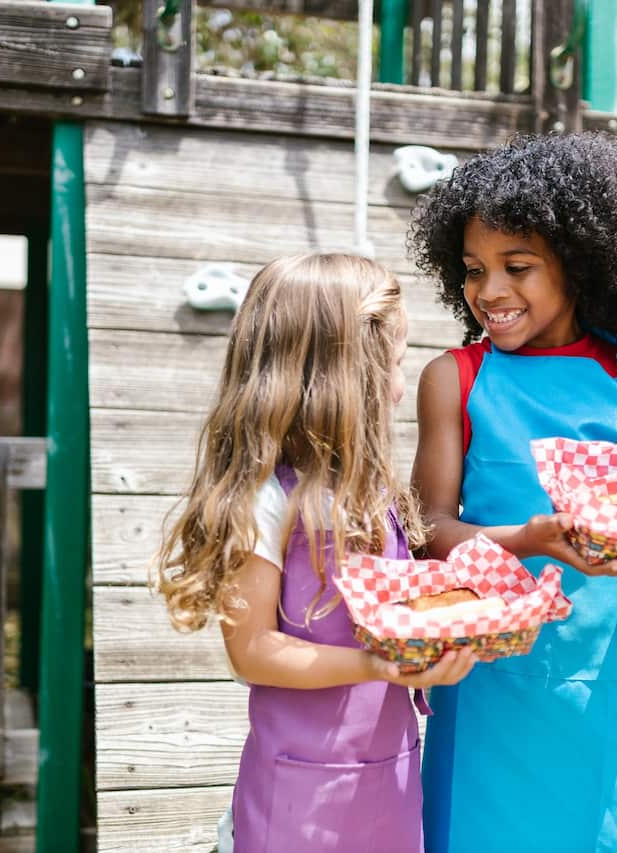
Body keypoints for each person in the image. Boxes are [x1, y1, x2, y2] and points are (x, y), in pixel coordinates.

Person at [408, 133, 617, 852]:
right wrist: (527, 539)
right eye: (472, 270)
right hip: (489, 679)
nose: (489, 291)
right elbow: (426, 527)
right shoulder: (455, 378)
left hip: (603, 683)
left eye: (516, 266)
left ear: (583, 264)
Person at [154, 253, 477, 853]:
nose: (402, 387)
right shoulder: (266, 498)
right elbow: (252, 650)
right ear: (344, 373)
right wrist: (378, 666)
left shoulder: (374, 491)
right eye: (395, 365)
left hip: (390, 775)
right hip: (301, 800)